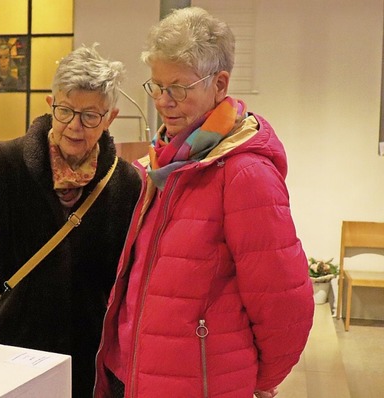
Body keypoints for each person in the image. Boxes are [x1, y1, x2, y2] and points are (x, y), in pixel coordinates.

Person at [93, 7, 314, 398]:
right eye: (157, 86)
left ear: (220, 83)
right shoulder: (164, 161)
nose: (163, 101)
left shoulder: (244, 174)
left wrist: (253, 381)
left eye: (178, 87)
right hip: (135, 374)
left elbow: (285, 306)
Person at [0, 44, 142, 397]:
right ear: (50, 104)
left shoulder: (126, 184)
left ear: (110, 118)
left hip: (91, 356)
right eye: (65, 111)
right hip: (11, 350)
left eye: (90, 116)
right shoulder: (1, 167)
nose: (74, 126)